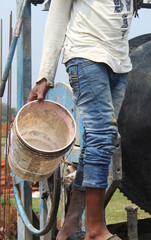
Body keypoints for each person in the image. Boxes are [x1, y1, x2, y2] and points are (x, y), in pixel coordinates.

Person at [27, 0, 136, 239]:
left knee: (96, 143)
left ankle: (69, 227)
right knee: (102, 136)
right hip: (86, 55)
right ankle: (95, 229)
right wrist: (45, 74)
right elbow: (57, 17)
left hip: (119, 62)